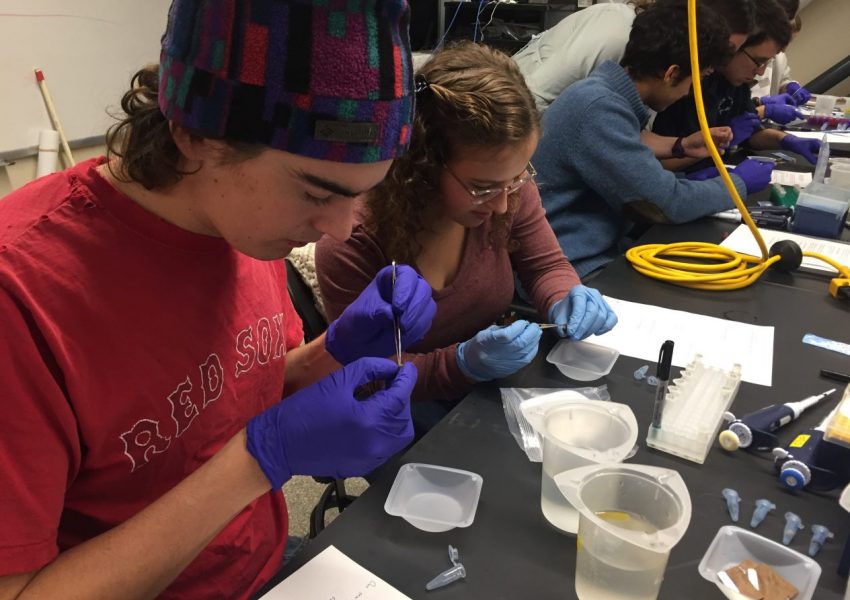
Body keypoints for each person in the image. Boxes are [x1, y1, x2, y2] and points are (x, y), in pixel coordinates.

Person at [0, 1, 437, 598]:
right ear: (194, 136)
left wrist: (328, 353)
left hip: (260, 564)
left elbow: (235, 393)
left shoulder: (240, 224)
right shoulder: (22, 298)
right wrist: (259, 461)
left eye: (362, 195)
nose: (339, 230)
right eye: (316, 191)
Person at [316, 41, 617, 430]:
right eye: (483, 187)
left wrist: (564, 296)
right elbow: (369, 372)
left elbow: (545, 265)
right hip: (404, 404)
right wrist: (460, 363)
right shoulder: (353, 241)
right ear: (422, 163)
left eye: (517, 179)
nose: (503, 206)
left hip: (489, 384)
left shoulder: (506, 187)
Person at [532, 1, 775, 279]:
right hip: (569, 269)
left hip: (601, 250)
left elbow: (632, 156)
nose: (688, 93)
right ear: (671, 73)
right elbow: (667, 204)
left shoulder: (605, 95)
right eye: (692, 81)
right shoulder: (598, 108)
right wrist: (738, 184)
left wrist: (680, 147)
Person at [653, 0, 820, 170]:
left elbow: (750, 133)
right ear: (735, 47)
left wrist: (784, 140)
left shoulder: (736, 83)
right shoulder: (691, 84)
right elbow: (661, 161)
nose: (760, 72)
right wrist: (719, 144)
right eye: (758, 62)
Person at [513, 0, 756, 112]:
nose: (720, 61)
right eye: (727, 47)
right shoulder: (616, 31)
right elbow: (532, 99)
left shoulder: (661, 66)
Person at [751, 0, 812, 123]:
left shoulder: (779, 57)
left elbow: (782, 79)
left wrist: (788, 86)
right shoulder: (751, 53)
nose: (784, 49)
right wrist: (762, 104)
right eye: (782, 42)